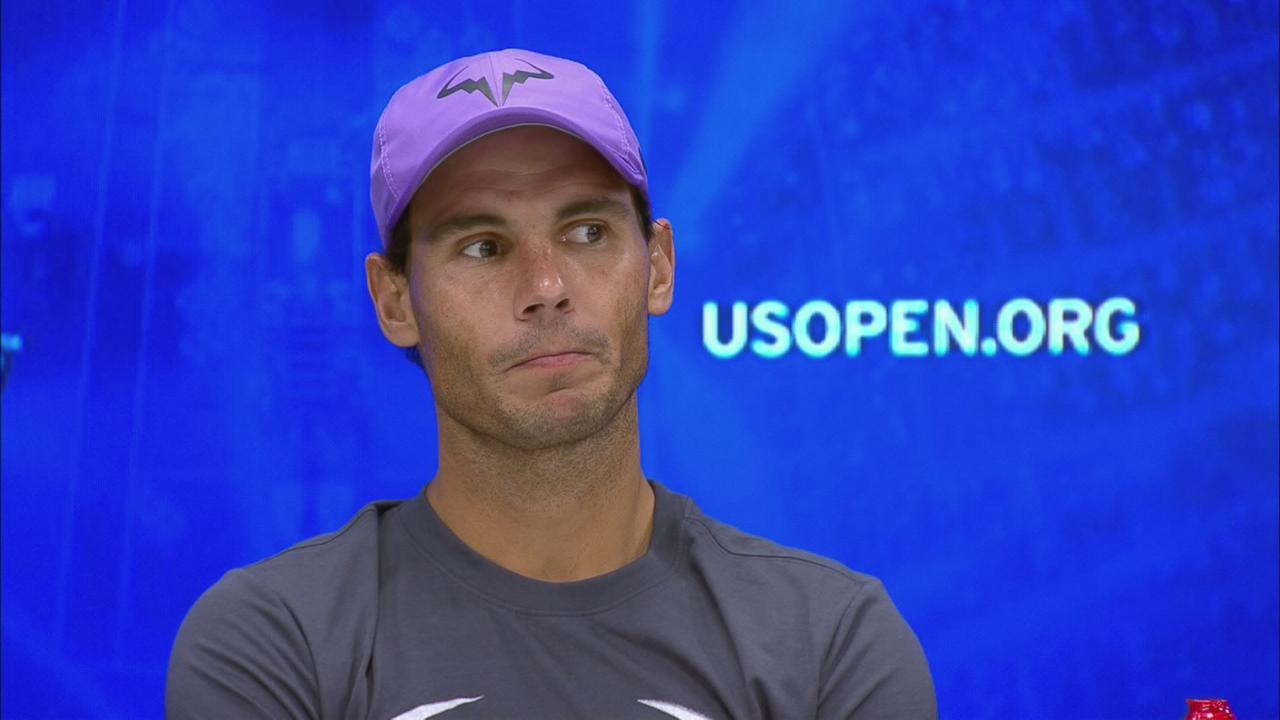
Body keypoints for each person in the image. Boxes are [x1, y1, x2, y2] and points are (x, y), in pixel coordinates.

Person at [167, 48, 937, 720]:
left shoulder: (829, 642)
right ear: (395, 300)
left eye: (587, 232)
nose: (545, 285)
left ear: (659, 266)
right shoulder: (276, 640)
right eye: (482, 245)